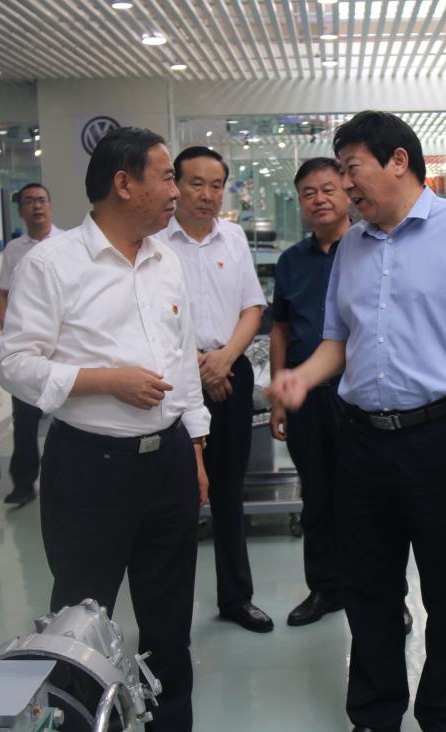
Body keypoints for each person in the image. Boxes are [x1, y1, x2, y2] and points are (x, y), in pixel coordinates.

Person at [269, 111, 446, 732]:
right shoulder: (352, 245)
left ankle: (443, 716)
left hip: (441, 438)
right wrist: (301, 377)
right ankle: (375, 713)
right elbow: (337, 341)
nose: (345, 184)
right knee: (369, 588)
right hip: (361, 442)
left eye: (352, 168)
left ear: (398, 161)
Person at [0, 127, 209, 731]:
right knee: (81, 625)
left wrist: (194, 450)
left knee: (169, 618)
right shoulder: (52, 264)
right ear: (124, 183)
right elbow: (14, 365)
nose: (176, 191)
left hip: (167, 462)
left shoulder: (166, 261)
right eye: (166, 177)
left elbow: (183, 361)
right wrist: (104, 381)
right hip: (90, 470)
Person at [154, 146, 272, 633]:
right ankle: (169, 613)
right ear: (176, 185)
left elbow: (252, 308)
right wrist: (198, 368)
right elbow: (153, 320)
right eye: (196, 183)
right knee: (176, 497)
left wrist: (224, 361)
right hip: (174, 377)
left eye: (216, 185)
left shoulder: (234, 237)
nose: (207, 194)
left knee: (228, 490)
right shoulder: (155, 242)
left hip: (230, 372)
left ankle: (236, 598)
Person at [270, 157, 351, 627]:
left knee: (368, 499)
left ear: (347, 192)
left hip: (357, 397)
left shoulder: (367, 249)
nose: (319, 199)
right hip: (307, 398)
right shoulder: (291, 262)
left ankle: (385, 593)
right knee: (316, 498)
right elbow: (280, 330)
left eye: (328, 189)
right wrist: (280, 396)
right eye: (308, 193)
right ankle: (324, 589)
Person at [0, 182, 64, 506]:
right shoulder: (14, 250)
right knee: (24, 420)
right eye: (29, 202)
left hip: (62, 349)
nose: (37, 206)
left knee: (65, 418)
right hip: (29, 349)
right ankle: (23, 482)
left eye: (42, 200)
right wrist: (8, 332)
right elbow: (3, 294)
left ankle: (62, 479)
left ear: (50, 206)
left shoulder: (67, 243)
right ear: (20, 210)